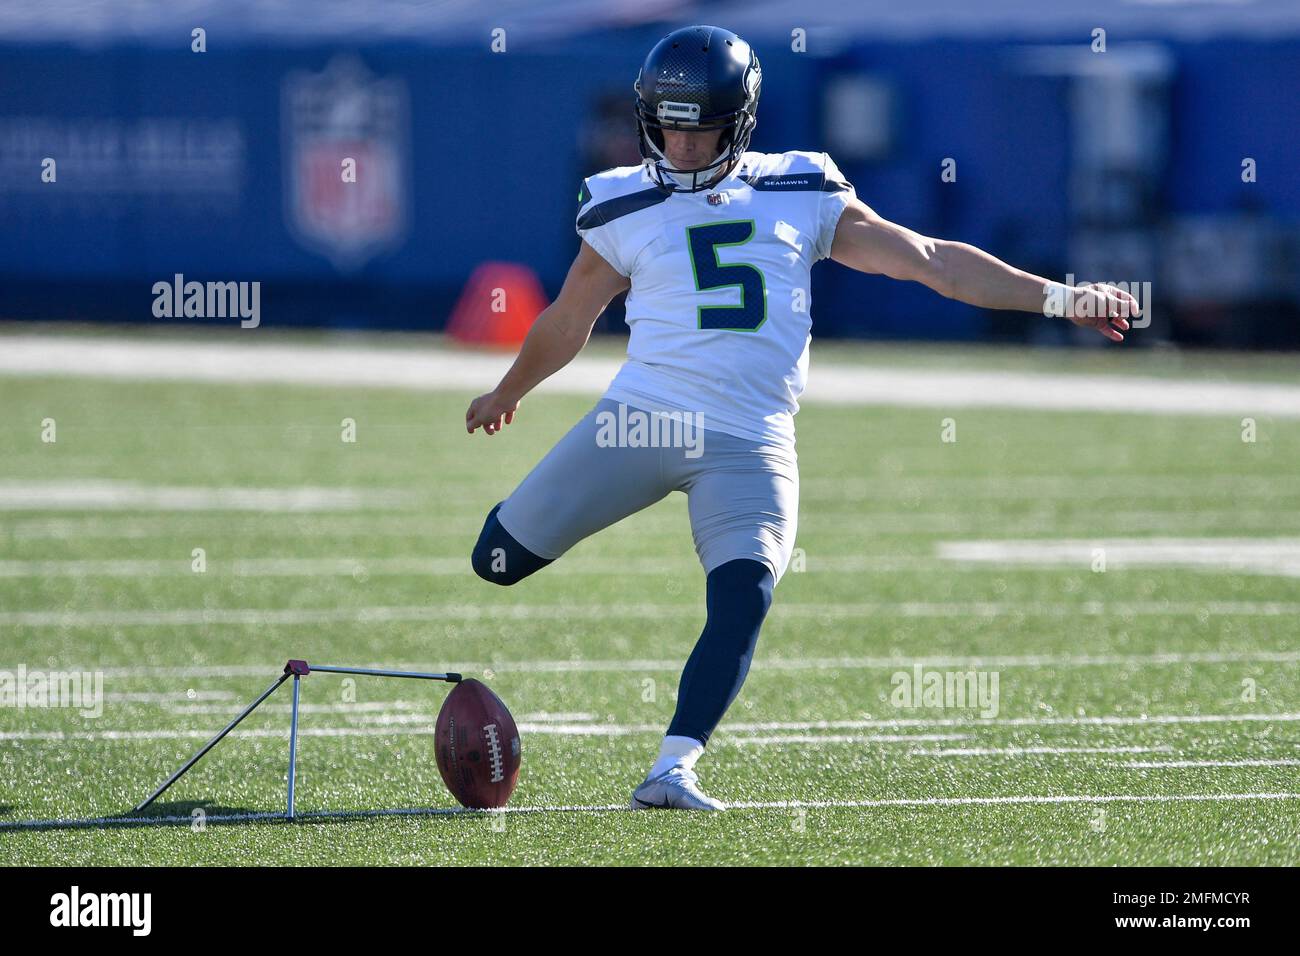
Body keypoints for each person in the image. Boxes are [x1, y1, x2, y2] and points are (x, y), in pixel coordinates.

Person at [465, 24, 1137, 810]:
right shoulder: (621, 198)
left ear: (740, 120)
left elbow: (929, 260)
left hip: (751, 441)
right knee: (497, 562)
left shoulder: (801, 188)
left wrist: (1059, 297)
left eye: (700, 125)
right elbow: (568, 315)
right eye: (669, 124)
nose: (681, 144)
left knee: (745, 591)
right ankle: (529, 547)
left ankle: (674, 765)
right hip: (643, 421)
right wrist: (510, 388)